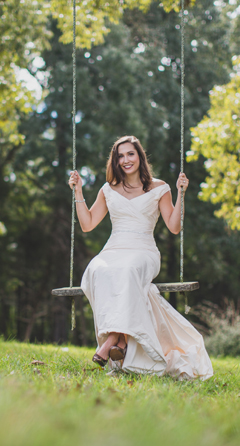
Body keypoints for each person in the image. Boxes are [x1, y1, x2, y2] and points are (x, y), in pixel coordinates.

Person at [68, 135, 213, 380]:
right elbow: (88, 224)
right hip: (114, 249)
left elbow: (174, 226)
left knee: (129, 270)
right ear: (115, 161)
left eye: (130, 154)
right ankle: (121, 342)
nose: (126, 160)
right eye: (120, 156)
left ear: (140, 156)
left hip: (143, 251)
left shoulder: (160, 188)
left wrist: (181, 194)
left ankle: (112, 338)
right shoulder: (108, 190)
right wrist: (78, 191)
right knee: (96, 269)